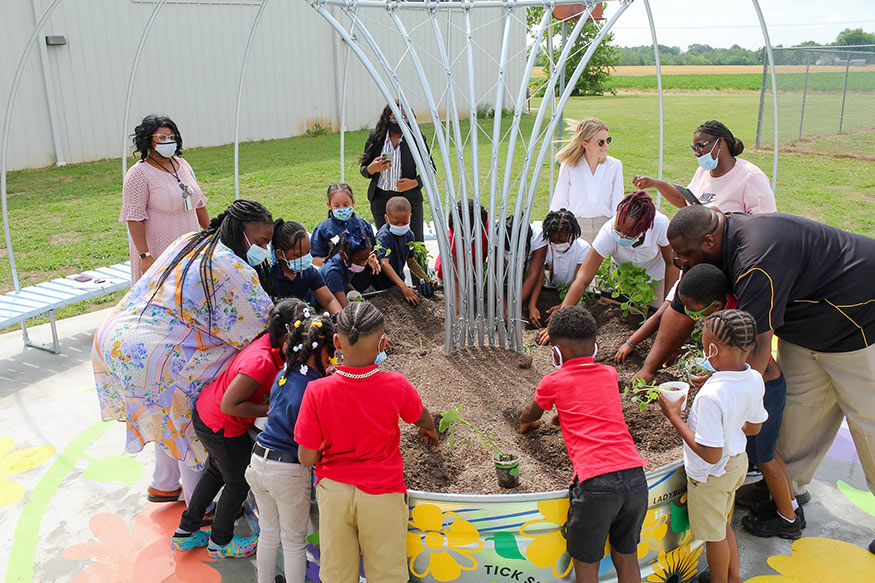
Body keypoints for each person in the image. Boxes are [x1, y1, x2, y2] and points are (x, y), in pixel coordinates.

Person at [667, 204, 875, 551]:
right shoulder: (726, 240)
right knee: (800, 415)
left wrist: (731, 398)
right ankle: (785, 494)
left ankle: (785, 499)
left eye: (686, 255)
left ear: (707, 241)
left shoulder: (757, 260)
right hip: (807, 330)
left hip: (858, 324)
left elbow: (757, 349)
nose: (684, 263)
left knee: (869, 426)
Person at [93, 200, 275, 505]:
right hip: (154, 353)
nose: (263, 250)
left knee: (162, 411)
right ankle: (198, 503)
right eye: (260, 242)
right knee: (189, 416)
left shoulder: (191, 240)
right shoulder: (231, 267)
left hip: (117, 336)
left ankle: (163, 484)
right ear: (240, 233)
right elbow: (262, 326)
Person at [294, 302, 439, 583]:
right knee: (387, 574)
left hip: (334, 493)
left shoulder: (316, 391)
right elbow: (420, 417)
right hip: (383, 494)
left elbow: (306, 458)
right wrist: (430, 429)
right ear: (383, 343)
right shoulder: (396, 384)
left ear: (337, 342)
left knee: (337, 573)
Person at [520, 305, 648, 583]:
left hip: (595, 485)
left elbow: (530, 414)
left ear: (555, 353)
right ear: (595, 347)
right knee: (627, 556)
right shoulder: (609, 374)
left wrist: (527, 423)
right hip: (636, 479)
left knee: (586, 563)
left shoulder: (553, 381)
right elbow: (592, 406)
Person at [171, 299, 299, 558]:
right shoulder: (261, 361)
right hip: (222, 425)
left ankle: (186, 531)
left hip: (208, 416)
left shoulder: (269, 344)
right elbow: (231, 405)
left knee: (216, 473)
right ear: (286, 335)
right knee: (238, 482)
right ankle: (220, 542)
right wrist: (272, 409)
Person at [658, 309, 768, 583]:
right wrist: (729, 422)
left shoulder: (710, 396)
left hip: (712, 474)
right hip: (737, 463)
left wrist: (674, 417)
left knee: (713, 536)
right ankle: (733, 577)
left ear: (711, 349)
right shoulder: (753, 377)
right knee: (722, 524)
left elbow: (710, 453)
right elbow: (754, 427)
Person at [245, 304, 336, 583]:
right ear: (321, 351)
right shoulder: (314, 389)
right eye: (331, 349)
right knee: (295, 541)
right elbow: (313, 439)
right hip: (286, 470)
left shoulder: (285, 374)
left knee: (269, 532)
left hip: (258, 460)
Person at [538, 192, 678, 345]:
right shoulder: (608, 233)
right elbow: (583, 279)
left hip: (658, 276)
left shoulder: (660, 225)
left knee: (660, 318)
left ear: (644, 229)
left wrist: (667, 304)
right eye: (618, 229)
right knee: (625, 316)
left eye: (628, 234)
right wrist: (559, 321)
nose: (621, 235)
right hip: (624, 277)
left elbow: (671, 264)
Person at [122, 114, 210, 285]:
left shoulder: (183, 165)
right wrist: (145, 256)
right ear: (148, 141)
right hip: (159, 250)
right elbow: (134, 219)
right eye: (162, 138)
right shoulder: (138, 173)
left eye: (172, 137)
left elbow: (198, 205)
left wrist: (213, 233)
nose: (168, 141)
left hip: (189, 245)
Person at [632, 120, 776, 214]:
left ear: (720, 143)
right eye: (694, 148)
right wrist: (657, 184)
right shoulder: (702, 172)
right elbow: (684, 202)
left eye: (700, 146)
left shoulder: (750, 176)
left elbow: (764, 223)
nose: (697, 153)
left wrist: (721, 219)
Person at [360, 103, 430, 246]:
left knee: (416, 245)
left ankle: (417, 269)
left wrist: (414, 183)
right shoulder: (376, 138)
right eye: (394, 117)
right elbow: (364, 169)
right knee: (385, 244)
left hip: (409, 198)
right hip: (381, 199)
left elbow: (430, 169)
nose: (398, 121)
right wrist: (372, 168)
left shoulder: (416, 138)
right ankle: (389, 269)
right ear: (387, 118)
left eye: (403, 117)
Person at [550, 117, 624, 244]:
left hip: (605, 226)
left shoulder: (615, 165)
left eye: (608, 140)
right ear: (585, 143)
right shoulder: (569, 165)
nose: (606, 145)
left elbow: (618, 200)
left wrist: (617, 228)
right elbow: (560, 198)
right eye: (601, 142)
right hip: (576, 225)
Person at [528, 209, 591, 328]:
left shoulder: (583, 249)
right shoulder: (545, 247)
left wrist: (563, 306)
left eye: (562, 240)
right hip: (552, 289)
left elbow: (578, 283)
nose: (558, 244)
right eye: (553, 241)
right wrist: (532, 306)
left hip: (575, 293)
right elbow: (538, 279)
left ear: (572, 234)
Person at [268, 219, 341, 315]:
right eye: (298, 255)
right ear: (280, 254)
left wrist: (339, 317)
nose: (305, 258)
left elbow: (329, 301)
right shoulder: (270, 276)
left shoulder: (309, 272)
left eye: (308, 252)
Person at [373, 196, 431, 304]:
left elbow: (411, 261)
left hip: (398, 281)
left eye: (404, 222)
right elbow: (384, 263)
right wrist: (404, 287)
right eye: (396, 223)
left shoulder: (409, 235)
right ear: (387, 218)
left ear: (410, 216)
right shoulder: (384, 236)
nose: (400, 225)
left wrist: (426, 279)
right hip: (380, 285)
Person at [309, 183, 377, 268]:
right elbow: (315, 258)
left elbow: (373, 250)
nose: (342, 209)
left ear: (353, 203)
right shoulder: (322, 229)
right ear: (329, 205)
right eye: (337, 206)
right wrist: (334, 265)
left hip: (363, 275)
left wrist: (371, 259)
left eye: (345, 205)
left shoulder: (364, 225)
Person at [321, 223, 378, 309]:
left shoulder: (346, 261)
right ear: (343, 255)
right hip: (318, 305)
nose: (364, 264)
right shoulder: (333, 273)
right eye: (360, 260)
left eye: (366, 259)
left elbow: (344, 280)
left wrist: (353, 291)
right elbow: (344, 306)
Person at [502, 216, 548, 310]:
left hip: (527, 268)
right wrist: (504, 304)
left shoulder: (538, 237)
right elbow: (494, 273)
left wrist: (514, 307)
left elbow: (533, 274)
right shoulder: (498, 235)